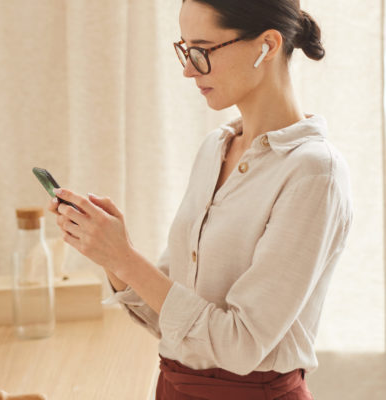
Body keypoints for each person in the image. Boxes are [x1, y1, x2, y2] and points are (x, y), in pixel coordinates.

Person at [47, 1, 352, 399]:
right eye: (185, 49)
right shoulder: (216, 147)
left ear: (268, 45)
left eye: (202, 51)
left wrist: (125, 258)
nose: (188, 69)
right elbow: (174, 314)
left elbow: (239, 345)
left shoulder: (313, 172)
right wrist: (110, 252)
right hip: (174, 388)